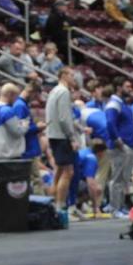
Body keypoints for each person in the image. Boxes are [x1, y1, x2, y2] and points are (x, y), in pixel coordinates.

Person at [104, 77, 133, 217]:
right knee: (117, 178)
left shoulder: (123, 104)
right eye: (127, 86)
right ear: (118, 87)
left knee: (124, 178)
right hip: (120, 147)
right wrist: (118, 140)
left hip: (128, 146)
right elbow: (110, 124)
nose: (130, 89)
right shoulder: (114, 104)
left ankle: (120, 205)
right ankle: (114, 208)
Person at [45, 67, 78, 215]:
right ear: (63, 76)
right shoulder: (64, 92)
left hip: (53, 134)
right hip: (62, 136)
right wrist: (72, 137)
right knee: (68, 172)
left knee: (59, 171)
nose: (74, 78)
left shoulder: (53, 90)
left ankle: (52, 204)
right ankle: (60, 206)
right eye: (72, 75)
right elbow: (64, 118)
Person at [0, 82, 27, 159]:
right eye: (16, 97)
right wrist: (25, 123)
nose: (16, 100)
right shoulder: (7, 111)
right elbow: (18, 132)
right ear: (10, 95)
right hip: (9, 153)